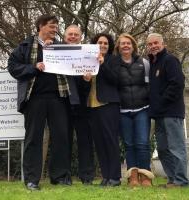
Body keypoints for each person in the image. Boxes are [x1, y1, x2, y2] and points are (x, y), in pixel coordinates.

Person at [7, 14, 78, 190]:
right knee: (33, 139)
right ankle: (32, 180)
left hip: (58, 98)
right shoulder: (25, 46)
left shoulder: (62, 47)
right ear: (40, 26)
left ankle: (59, 177)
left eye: (56, 27)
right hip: (34, 99)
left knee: (61, 137)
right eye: (51, 26)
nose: (55, 29)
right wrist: (33, 67)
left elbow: (76, 63)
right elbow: (12, 66)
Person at [147, 33, 188, 188]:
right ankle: (172, 179)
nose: (153, 46)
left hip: (171, 113)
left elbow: (177, 84)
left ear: (162, 43)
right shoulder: (154, 64)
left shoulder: (170, 60)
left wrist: (161, 102)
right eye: (150, 44)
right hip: (158, 115)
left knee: (176, 147)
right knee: (163, 148)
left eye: (156, 43)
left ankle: (181, 180)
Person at [113, 33, 154, 187]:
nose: (125, 46)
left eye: (128, 43)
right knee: (129, 144)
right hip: (123, 111)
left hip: (142, 109)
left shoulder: (144, 62)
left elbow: (150, 85)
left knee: (143, 143)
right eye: (122, 43)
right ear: (118, 46)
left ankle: (145, 177)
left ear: (133, 46)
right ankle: (133, 177)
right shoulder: (115, 64)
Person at [84, 33, 121, 186]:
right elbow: (84, 86)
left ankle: (115, 177)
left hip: (108, 105)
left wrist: (103, 63)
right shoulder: (87, 60)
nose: (103, 45)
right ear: (95, 44)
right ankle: (106, 177)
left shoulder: (114, 60)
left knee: (110, 141)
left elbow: (116, 80)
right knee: (99, 142)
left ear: (110, 45)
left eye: (106, 43)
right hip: (91, 106)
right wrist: (85, 80)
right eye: (100, 42)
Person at [63, 25, 95, 185]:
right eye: (70, 34)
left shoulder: (87, 55)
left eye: (76, 34)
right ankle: (64, 176)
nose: (73, 36)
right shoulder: (56, 54)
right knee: (63, 142)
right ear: (64, 36)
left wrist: (86, 81)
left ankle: (87, 177)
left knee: (85, 142)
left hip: (82, 106)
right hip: (62, 106)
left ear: (81, 37)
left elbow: (86, 89)